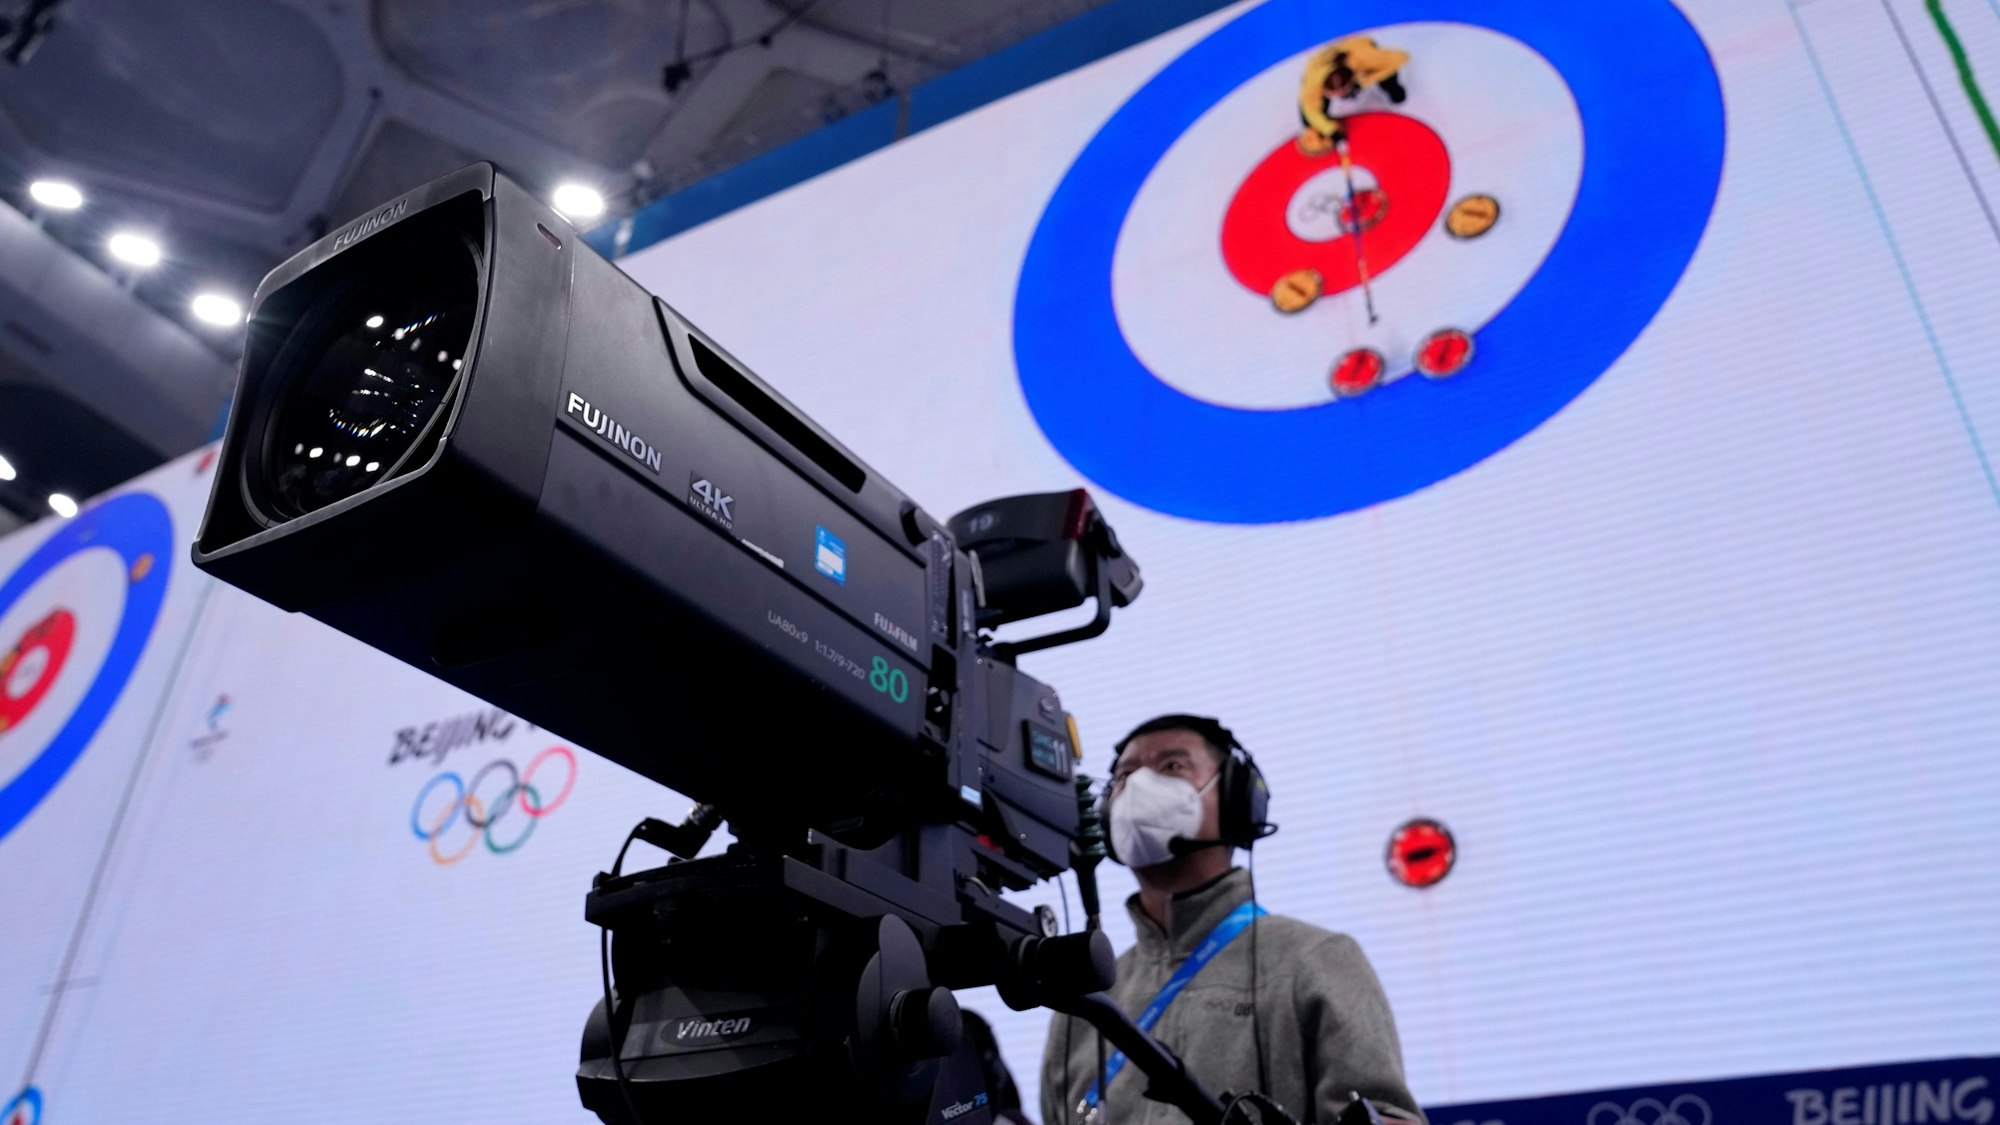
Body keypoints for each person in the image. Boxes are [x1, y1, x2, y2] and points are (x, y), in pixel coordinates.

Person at [1041, 715, 1422, 1125]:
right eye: (1124, 776)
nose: (1137, 788)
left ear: (1237, 800)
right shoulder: (1085, 998)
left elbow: (1388, 1117)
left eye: (1172, 767)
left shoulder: (1315, 959)